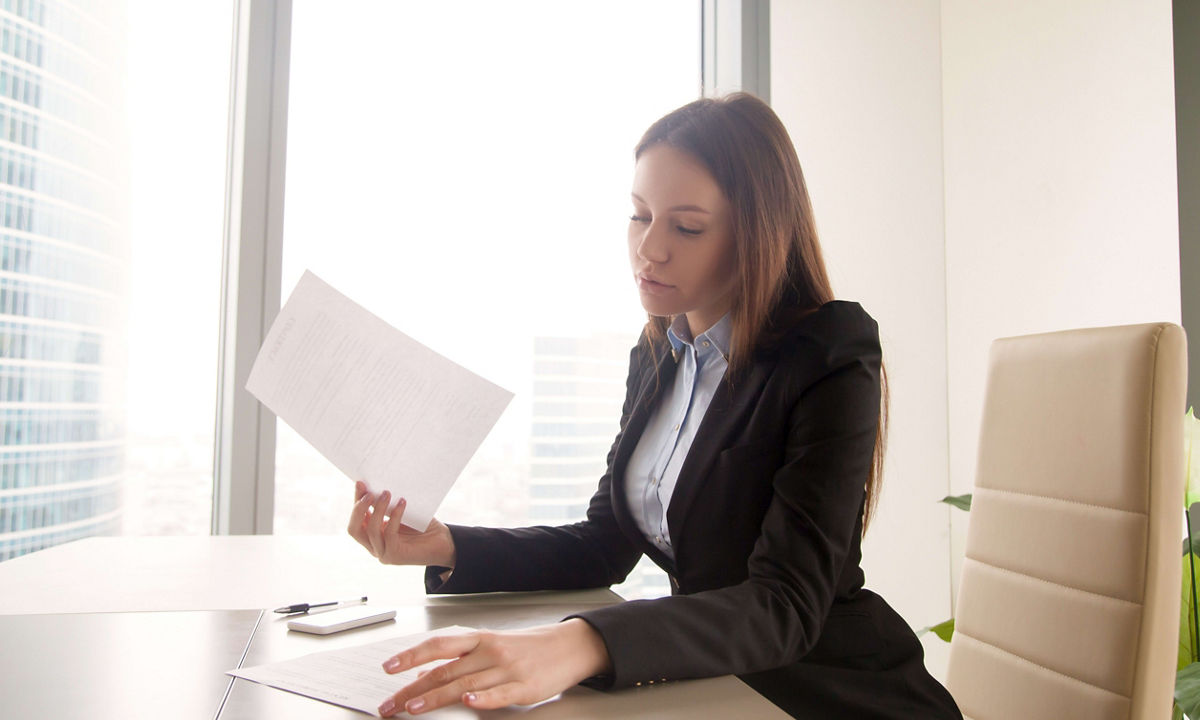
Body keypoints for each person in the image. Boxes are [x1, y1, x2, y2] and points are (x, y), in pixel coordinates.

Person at [347, 92, 963, 719]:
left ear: (756, 232)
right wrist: (448, 546)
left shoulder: (828, 353)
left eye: (686, 226)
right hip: (711, 687)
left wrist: (582, 641)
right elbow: (604, 544)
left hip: (829, 694)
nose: (649, 249)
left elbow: (784, 604)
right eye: (640, 216)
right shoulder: (658, 357)